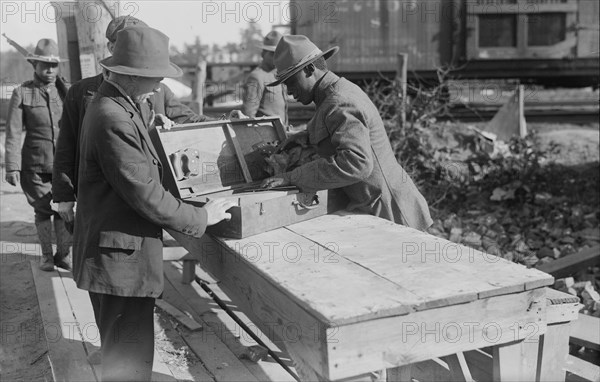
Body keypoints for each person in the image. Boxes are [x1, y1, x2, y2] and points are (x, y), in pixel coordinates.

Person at [73, 25, 235, 381]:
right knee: (128, 365)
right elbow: (145, 194)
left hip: (118, 258)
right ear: (130, 75)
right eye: (154, 77)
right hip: (119, 264)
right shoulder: (113, 118)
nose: (158, 85)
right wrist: (202, 216)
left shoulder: (120, 106)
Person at [262, 35, 432, 230]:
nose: (290, 92)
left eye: (291, 82)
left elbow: (356, 163)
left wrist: (292, 177)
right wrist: (301, 137)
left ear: (310, 69)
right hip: (378, 205)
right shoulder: (333, 93)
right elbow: (331, 129)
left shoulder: (340, 102)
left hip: (391, 212)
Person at [52, 15, 209, 227]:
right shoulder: (82, 92)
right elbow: (66, 145)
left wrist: (228, 119)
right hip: (104, 196)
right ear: (110, 46)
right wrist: (64, 194)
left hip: (148, 193)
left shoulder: (158, 88)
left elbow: (188, 117)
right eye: (124, 42)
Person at [4, 38, 72, 271]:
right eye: (45, 65)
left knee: (65, 208)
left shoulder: (66, 91)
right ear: (35, 65)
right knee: (43, 209)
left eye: (54, 65)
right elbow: (13, 132)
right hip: (35, 166)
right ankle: (46, 256)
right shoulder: (22, 93)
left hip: (63, 165)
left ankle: (64, 254)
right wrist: (11, 166)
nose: (50, 70)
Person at [242, 30, 288, 125]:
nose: (276, 57)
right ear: (263, 54)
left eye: (279, 54)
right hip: (265, 136)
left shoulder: (278, 75)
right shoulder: (257, 77)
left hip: (280, 133)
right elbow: (248, 115)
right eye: (272, 54)